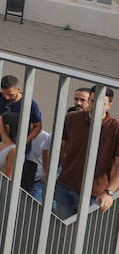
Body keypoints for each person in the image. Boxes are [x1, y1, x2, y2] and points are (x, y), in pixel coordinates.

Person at [51, 88, 119, 220]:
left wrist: (109, 192)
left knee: (86, 230)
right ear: (89, 101)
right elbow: (60, 148)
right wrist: (51, 172)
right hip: (65, 186)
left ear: (109, 105)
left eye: (102, 103)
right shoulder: (72, 118)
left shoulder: (115, 128)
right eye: (93, 101)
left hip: (94, 193)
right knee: (62, 228)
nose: (96, 105)